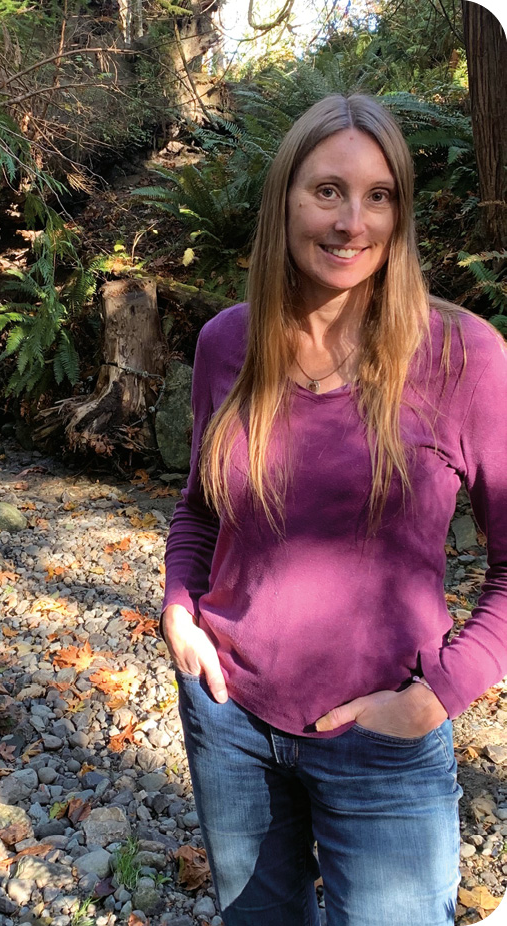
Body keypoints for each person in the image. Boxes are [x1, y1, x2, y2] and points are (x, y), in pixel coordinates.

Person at [161, 93, 507, 926]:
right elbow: (201, 510)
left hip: (384, 738)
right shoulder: (227, 345)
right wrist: (179, 610)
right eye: (328, 191)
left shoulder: (465, 357)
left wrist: (438, 695)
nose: (353, 221)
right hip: (230, 720)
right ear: (284, 199)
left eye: (379, 195)